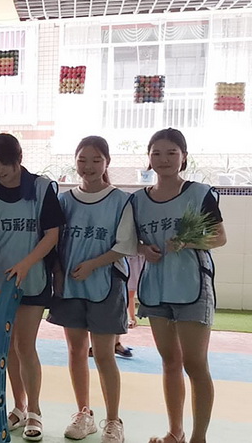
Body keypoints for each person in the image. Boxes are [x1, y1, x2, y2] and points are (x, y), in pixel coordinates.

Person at [0, 133, 65, 441]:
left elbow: (52, 235)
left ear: (18, 159)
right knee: (8, 348)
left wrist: (26, 264)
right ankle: (19, 407)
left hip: (33, 280)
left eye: (3, 164)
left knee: (25, 345)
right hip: (2, 282)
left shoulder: (41, 188)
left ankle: (34, 411)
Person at [131, 128, 226, 443]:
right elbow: (132, 241)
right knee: (170, 361)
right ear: (149, 158)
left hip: (192, 286)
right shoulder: (137, 200)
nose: (164, 159)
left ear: (184, 157)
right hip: (156, 288)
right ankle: (175, 433)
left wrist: (188, 242)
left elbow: (220, 237)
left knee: (195, 364)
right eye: (156, 153)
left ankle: (199, 437)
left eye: (171, 152)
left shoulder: (200, 193)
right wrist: (144, 249)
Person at [47, 136, 135, 443]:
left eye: (96, 160)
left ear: (107, 162)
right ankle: (83, 413)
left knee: (104, 353)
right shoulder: (64, 200)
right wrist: (59, 274)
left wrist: (93, 265)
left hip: (106, 285)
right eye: (82, 160)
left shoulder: (121, 200)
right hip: (70, 286)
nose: (89, 166)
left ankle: (113, 420)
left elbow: (126, 244)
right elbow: (53, 241)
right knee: (76, 351)